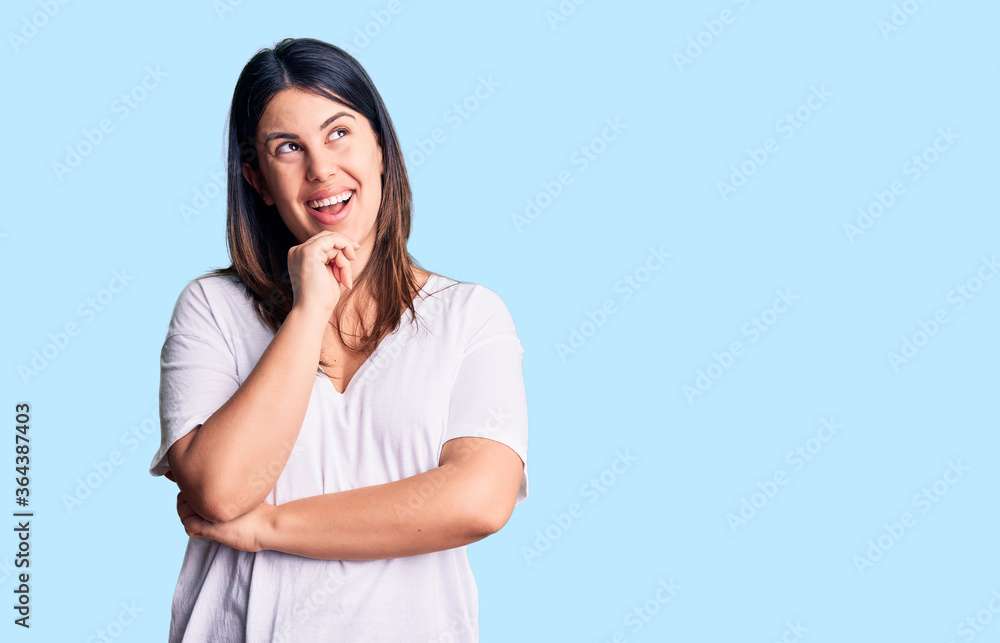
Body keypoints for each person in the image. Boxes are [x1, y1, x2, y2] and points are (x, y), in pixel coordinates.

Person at [148, 37, 529, 642]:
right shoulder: (211, 308)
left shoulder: (469, 316)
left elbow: (478, 499)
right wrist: (308, 311)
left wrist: (266, 528)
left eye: (339, 132)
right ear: (258, 180)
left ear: (382, 148)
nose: (321, 169)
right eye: (288, 148)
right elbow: (221, 490)